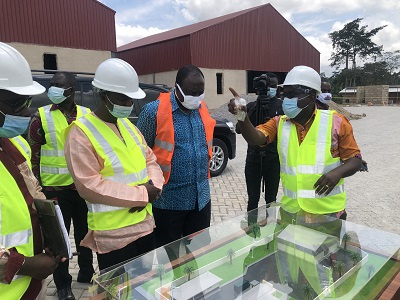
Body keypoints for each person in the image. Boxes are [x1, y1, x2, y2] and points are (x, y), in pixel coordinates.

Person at [64, 58, 163, 271]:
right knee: (118, 291)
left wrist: (154, 186)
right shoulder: (81, 132)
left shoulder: (127, 126)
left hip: (145, 226)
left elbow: (150, 160)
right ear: (102, 95)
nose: (128, 104)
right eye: (122, 98)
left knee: (144, 287)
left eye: (130, 99)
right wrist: (141, 195)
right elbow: (89, 185)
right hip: (114, 236)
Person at [228, 65, 362, 218]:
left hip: (328, 213)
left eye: (292, 94)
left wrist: (338, 173)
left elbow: (355, 160)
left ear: (311, 97)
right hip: (291, 213)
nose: (285, 99)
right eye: (284, 94)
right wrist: (242, 116)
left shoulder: (336, 122)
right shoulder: (279, 123)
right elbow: (256, 138)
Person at [0, 42, 63, 299]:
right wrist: (25, 265)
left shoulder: (14, 143)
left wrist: (50, 227)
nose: (26, 112)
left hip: (30, 286)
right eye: (16, 104)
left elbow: (31, 194)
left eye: (27, 101)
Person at [137, 65, 216, 257]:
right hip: (168, 203)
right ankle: (172, 287)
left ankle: (194, 285)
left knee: (198, 252)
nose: (196, 97)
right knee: (169, 256)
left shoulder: (201, 108)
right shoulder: (153, 112)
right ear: (176, 88)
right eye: (191, 92)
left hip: (200, 199)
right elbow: (141, 153)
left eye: (200, 92)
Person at [27, 72, 93, 299]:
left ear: (72, 90)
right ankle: (63, 285)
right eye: (52, 85)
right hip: (54, 191)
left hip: (82, 189)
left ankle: (87, 272)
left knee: (85, 235)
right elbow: (34, 155)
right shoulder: (40, 117)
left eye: (59, 86)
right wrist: (37, 189)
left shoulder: (87, 115)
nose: (53, 89)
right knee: (59, 241)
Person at [236, 73, 283, 217]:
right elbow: (238, 129)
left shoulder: (282, 107)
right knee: (253, 199)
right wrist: (243, 112)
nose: (269, 89)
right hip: (253, 158)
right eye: (267, 86)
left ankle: (271, 230)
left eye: (273, 86)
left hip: (273, 159)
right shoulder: (251, 106)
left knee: (271, 199)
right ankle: (251, 230)